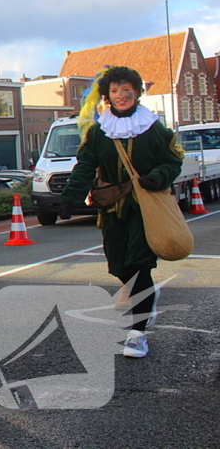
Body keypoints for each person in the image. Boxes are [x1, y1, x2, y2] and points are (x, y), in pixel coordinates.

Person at [58, 66, 183, 358]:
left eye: (126, 90)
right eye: (115, 91)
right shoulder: (99, 131)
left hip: (144, 206)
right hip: (112, 208)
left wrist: (157, 176)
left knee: (140, 265)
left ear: (137, 92)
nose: (121, 95)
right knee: (119, 266)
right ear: (107, 96)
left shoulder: (153, 127)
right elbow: (85, 167)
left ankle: (137, 334)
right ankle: (146, 297)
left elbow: (172, 162)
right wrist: (69, 198)